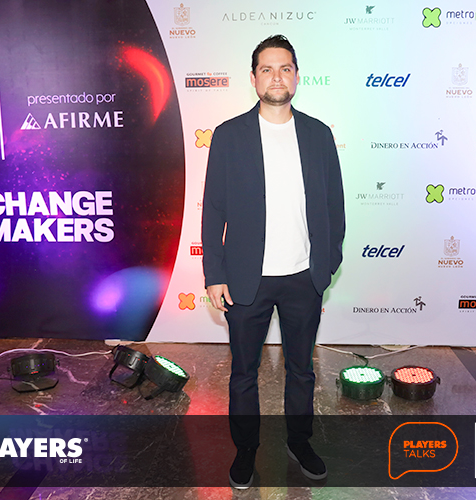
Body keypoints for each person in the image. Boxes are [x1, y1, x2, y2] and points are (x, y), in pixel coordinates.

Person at [201, 34, 345, 489]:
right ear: (253, 78)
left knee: (301, 370)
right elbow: (214, 209)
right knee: (244, 374)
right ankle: (246, 450)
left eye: (285, 68)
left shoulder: (319, 135)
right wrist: (214, 274)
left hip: (304, 278)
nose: (276, 77)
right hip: (247, 281)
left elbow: (335, 206)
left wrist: (327, 265)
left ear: (297, 77)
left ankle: (299, 442)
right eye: (267, 69)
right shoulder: (228, 136)